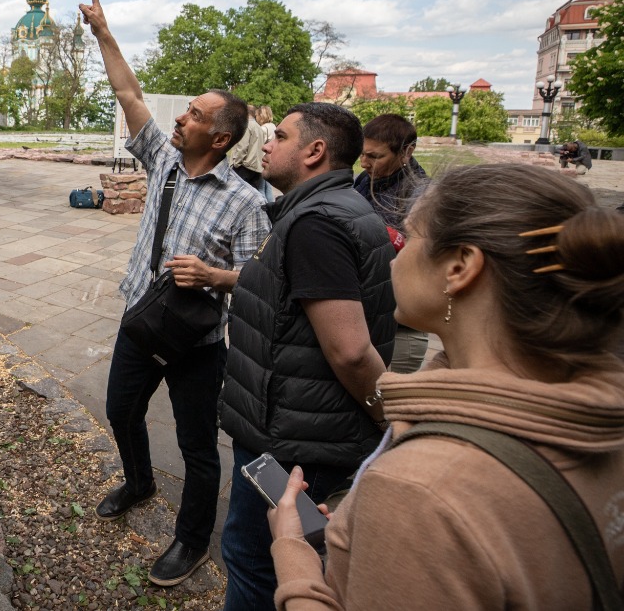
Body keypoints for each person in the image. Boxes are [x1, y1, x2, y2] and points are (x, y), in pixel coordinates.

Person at [268, 164, 624, 610]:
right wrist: (377, 535)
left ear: (459, 267)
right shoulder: (601, 423)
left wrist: (293, 553)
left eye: (411, 237)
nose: (396, 258)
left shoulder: (421, 488)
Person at [79, 0, 271, 587]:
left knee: (196, 445)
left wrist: (217, 276)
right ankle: (138, 482)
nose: (179, 118)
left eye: (192, 114)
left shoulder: (247, 202)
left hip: (198, 341)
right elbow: (128, 93)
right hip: (142, 318)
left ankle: (190, 541)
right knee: (120, 409)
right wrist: (105, 34)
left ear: (219, 137)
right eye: (183, 110)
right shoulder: (162, 164)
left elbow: (258, 284)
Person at [219, 102, 397, 611]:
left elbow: (351, 350)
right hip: (303, 424)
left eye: (279, 135)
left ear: (315, 151)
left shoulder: (315, 223)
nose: (266, 143)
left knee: (258, 556)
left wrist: (389, 422)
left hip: (295, 438)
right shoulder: (331, 208)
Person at [352, 114, 430, 373]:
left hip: (400, 331)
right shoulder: (364, 181)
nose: (364, 163)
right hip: (365, 318)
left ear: (407, 152)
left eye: (375, 157)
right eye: (362, 154)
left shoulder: (422, 194)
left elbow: (425, 261)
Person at [228, 107, 267, 190]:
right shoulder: (258, 127)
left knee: (237, 193)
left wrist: (236, 163)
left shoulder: (247, 126)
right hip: (257, 167)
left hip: (245, 167)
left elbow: (242, 147)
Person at [254, 106, 276, 204]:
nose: (256, 117)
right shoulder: (273, 126)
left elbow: (259, 145)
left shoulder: (263, 129)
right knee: (268, 187)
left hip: (262, 159)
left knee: (260, 188)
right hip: (272, 158)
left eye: (257, 115)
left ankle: (263, 208)